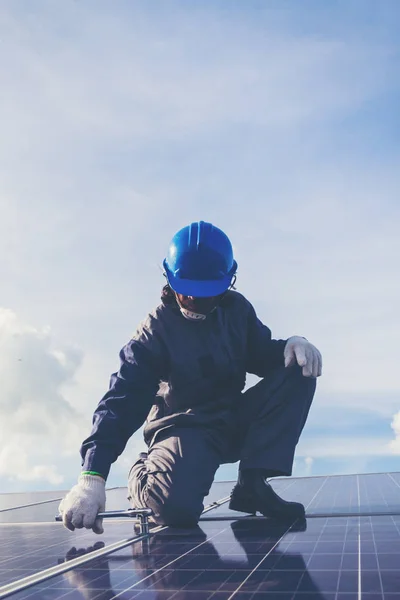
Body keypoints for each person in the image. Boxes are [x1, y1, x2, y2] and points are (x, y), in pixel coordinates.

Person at [59, 221, 322, 533]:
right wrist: (92, 478)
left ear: (228, 283)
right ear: (170, 280)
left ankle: (253, 484)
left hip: (231, 420)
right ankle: (145, 473)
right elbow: (119, 404)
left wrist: (293, 344)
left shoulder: (237, 311)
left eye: (208, 294)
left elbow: (263, 355)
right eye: (188, 292)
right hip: (185, 429)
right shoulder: (152, 334)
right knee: (175, 512)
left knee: (301, 369)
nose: (196, 302)